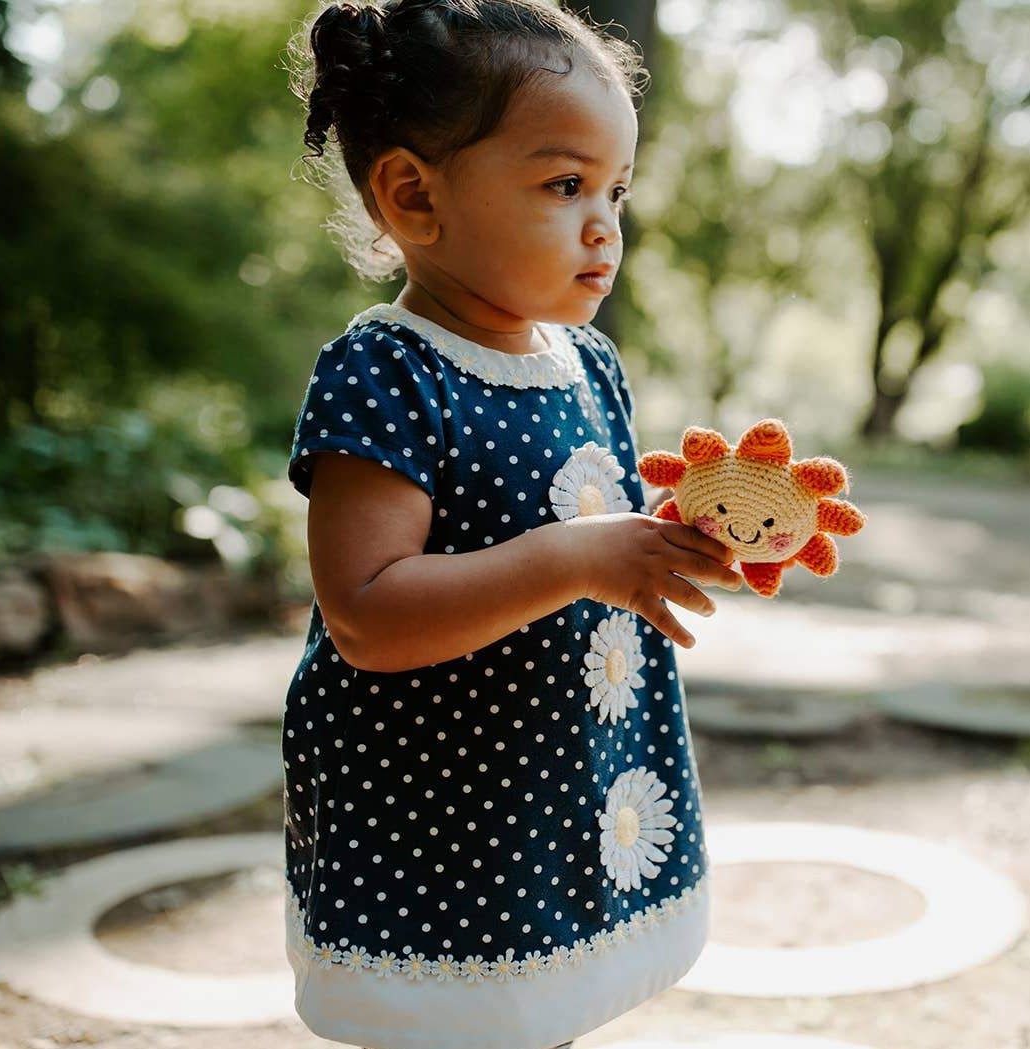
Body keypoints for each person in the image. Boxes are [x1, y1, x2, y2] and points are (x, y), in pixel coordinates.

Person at [280, 3, 744, 1048]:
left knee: (542, 1010)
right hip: (441, 809)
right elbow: (365, 611)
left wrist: (675, 536)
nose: (603, 225)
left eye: (615, 190)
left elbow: (592, 528)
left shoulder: (589, 365)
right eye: (563, 184)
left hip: (560, 779)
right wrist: (575, 557)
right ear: (413, 195)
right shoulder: (387, 370)